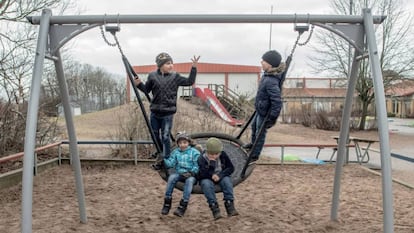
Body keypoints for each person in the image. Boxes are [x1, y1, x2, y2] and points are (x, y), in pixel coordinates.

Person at [134, 52, 200, 169]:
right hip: (155, 112)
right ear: (160, 65)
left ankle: (167, 157)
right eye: (168, 63)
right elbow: (146, 90)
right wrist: (139, 85)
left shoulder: (175, 77)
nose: (171, 66)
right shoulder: (152, 76)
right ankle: (160, 152)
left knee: (165, 136)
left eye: (171, 63)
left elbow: (190, 81)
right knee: (155, 135)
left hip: (168, 113)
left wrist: (194, 67)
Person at [243, 50, 286, 161]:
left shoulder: (271, 80)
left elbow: (277, 101)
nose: (261, 62)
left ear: (270, 64)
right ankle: (253, 145)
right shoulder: (267, 76)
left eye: (264, 61)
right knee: (253, 127)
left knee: (260, 133)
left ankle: (255, 154)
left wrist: (272, 118)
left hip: (265, 113)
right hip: (260, 109)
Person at [198, 137, 239, 220]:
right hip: (206, 177)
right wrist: (212, 165)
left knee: (227, 181)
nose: (214, 156)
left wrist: (220, 175)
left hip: (220, 175)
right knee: (206, 185)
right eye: (211, 154)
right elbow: (201, 174)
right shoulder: (201, 158)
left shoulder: (223, 154)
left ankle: (229, 205)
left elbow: (230, 168)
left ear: (220, 152)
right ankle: (214, 208)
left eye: (217, 154)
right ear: (207, 152)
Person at [161, 132, 200, 217]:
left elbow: (197, 165)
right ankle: (167, 203)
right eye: (180, 143)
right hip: (180, 173)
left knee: (189, 182)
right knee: (171, 178)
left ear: (188, 142)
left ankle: (182, 206)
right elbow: (171, 163)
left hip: (191, 175)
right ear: (178, 144)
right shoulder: (176, 152)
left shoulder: (194, 152)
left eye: (184, 143)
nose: (182, 145)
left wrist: (191, 172)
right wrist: (163, 160)